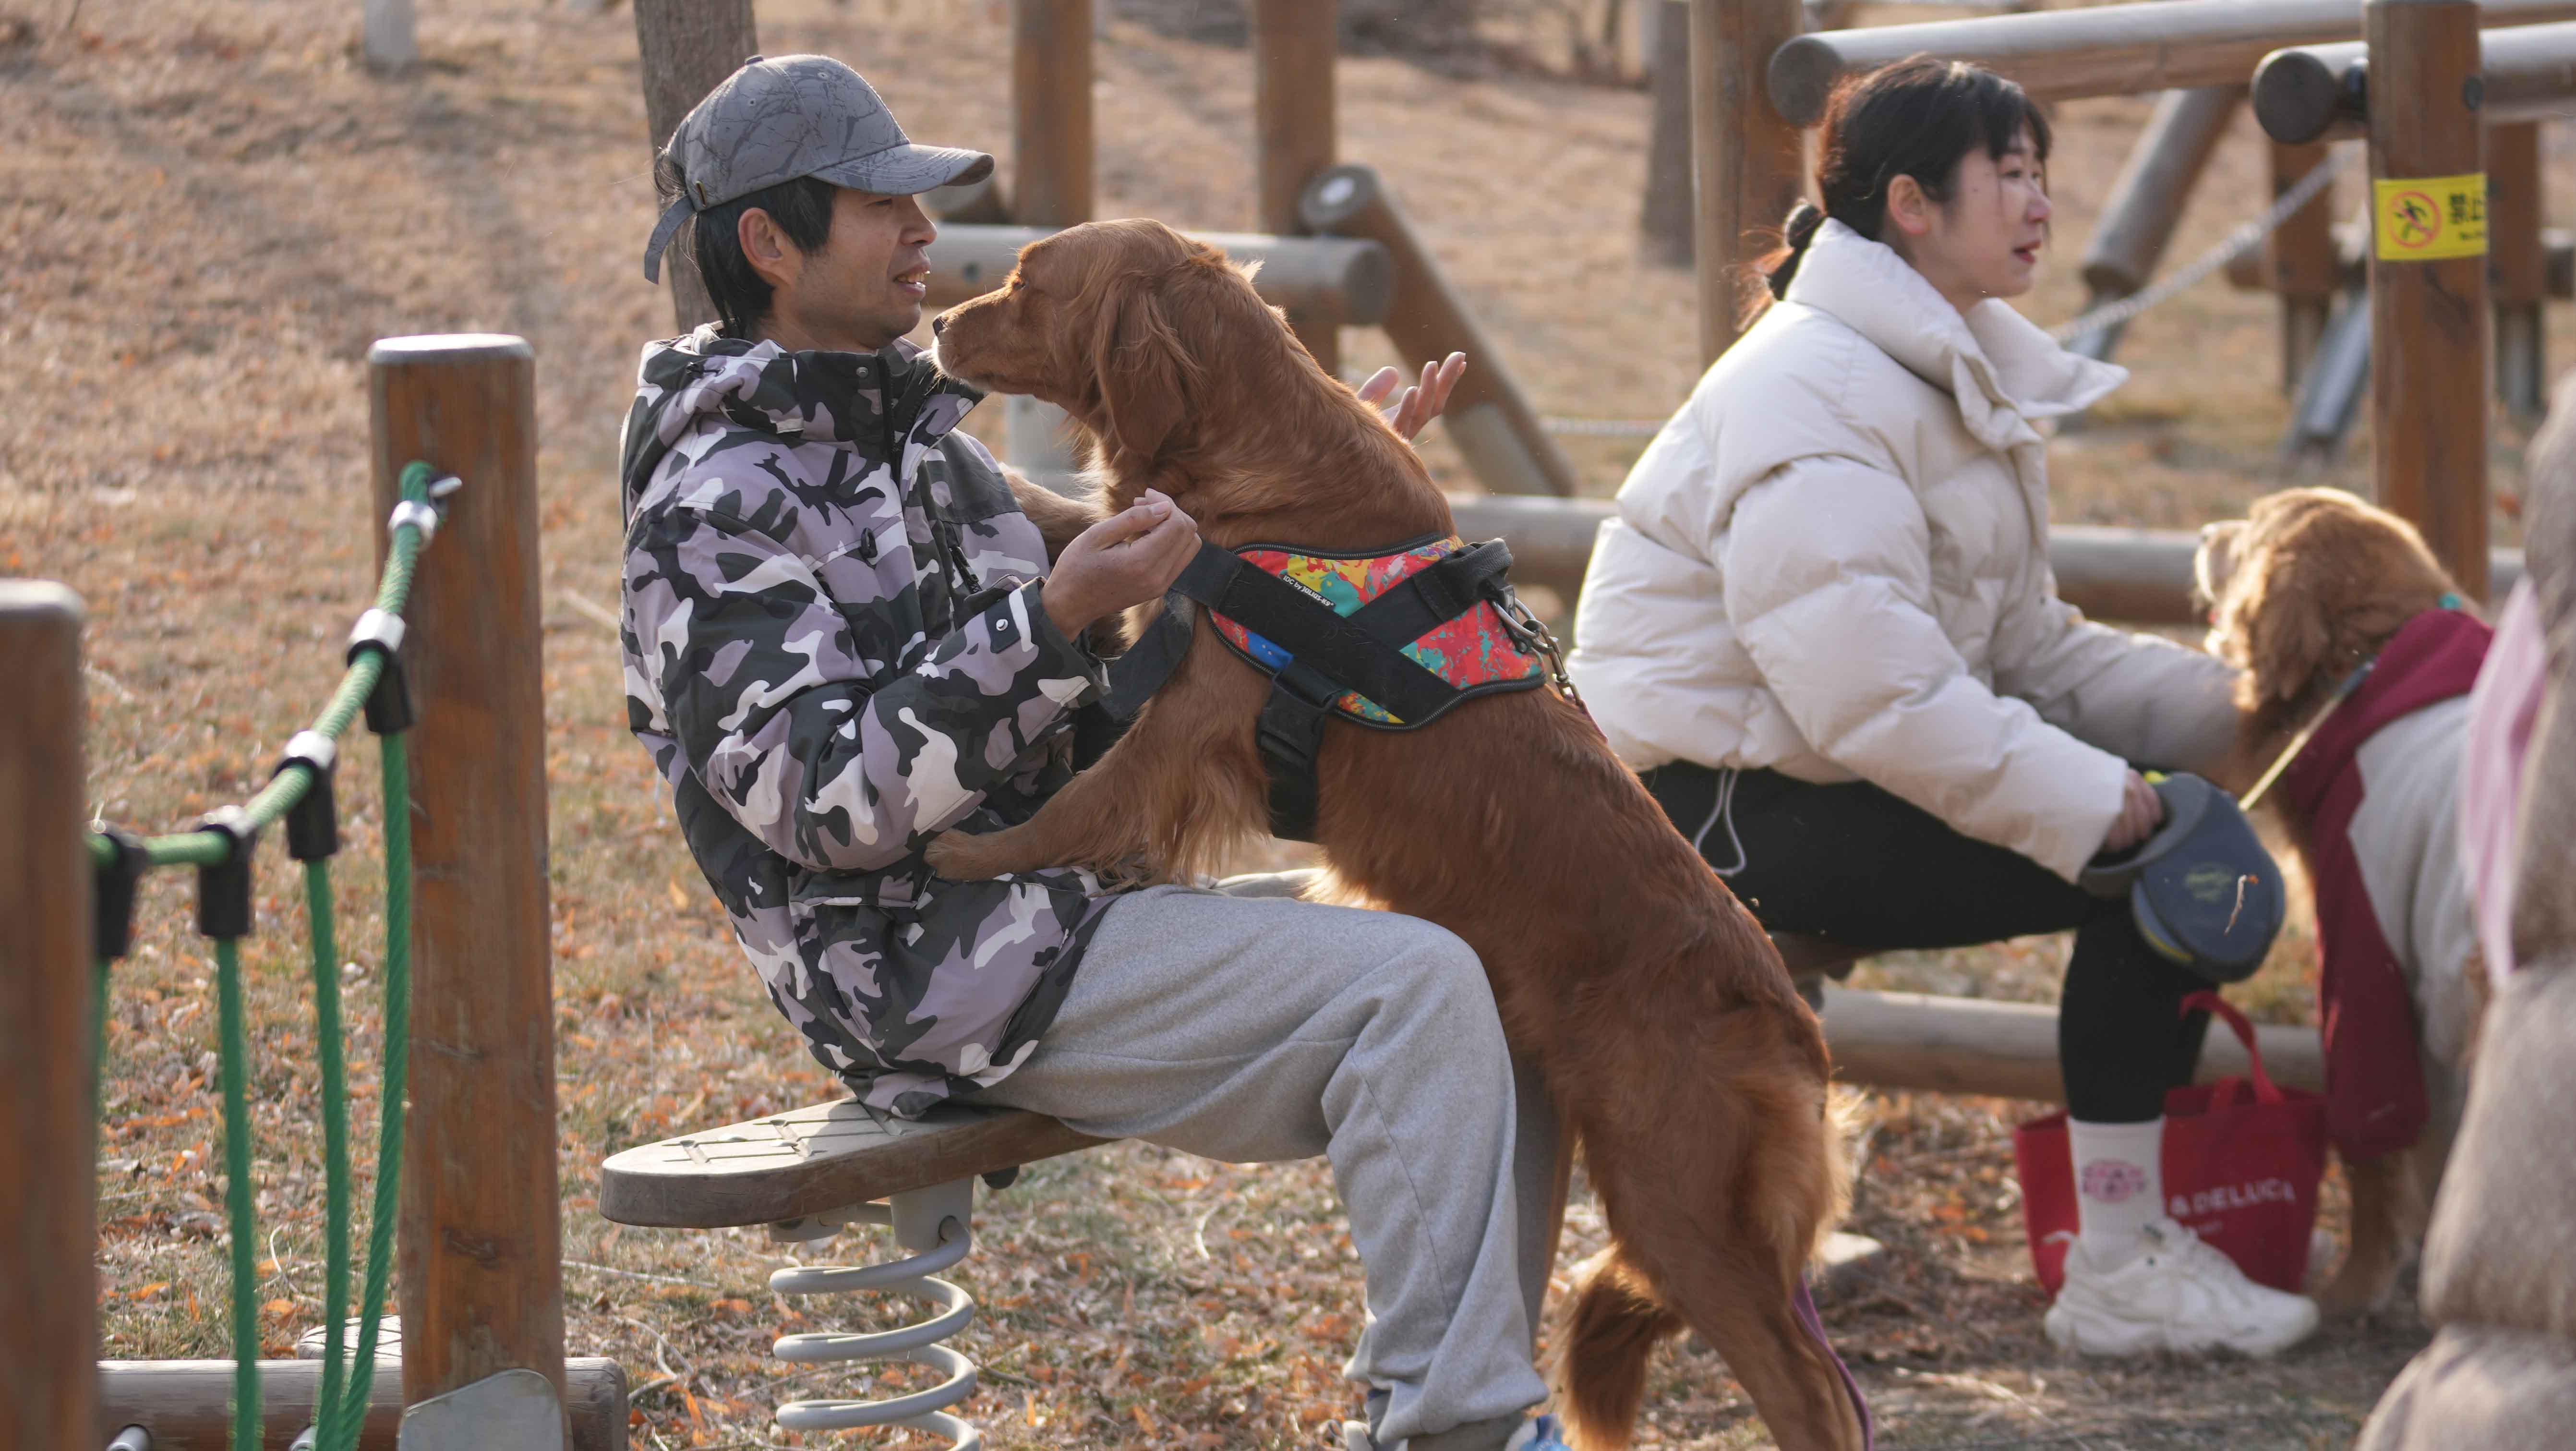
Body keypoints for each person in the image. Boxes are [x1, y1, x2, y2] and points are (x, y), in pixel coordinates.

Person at [621, 55, 1563, 1451]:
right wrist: (1047, 622)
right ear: (770, 242)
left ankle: (1452, 1409)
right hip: (923, 960)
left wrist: (1326, 466)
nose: (925, 232)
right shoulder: (716, 507)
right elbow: (824, 803)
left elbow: (1154, 561)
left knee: (1502, 967)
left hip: (1065, 906)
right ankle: (1462, 1432)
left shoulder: (904, 440)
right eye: (882, 205)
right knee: (1416, 990)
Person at [1565, 58, 2319, 1357]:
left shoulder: (1927, 369)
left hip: (1797, 774)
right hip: (1705, 805)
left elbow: (2023, 646)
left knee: (2162, 831)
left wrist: (2258, 711)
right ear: (1911, 204)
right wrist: (2107, 804)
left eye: (2042, 173)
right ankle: (2123, 1264)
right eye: (2009, 175)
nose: (2038, 203)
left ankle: (2124, 1251)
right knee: (2151, 866)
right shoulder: (1815, 390)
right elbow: (1873, 692)